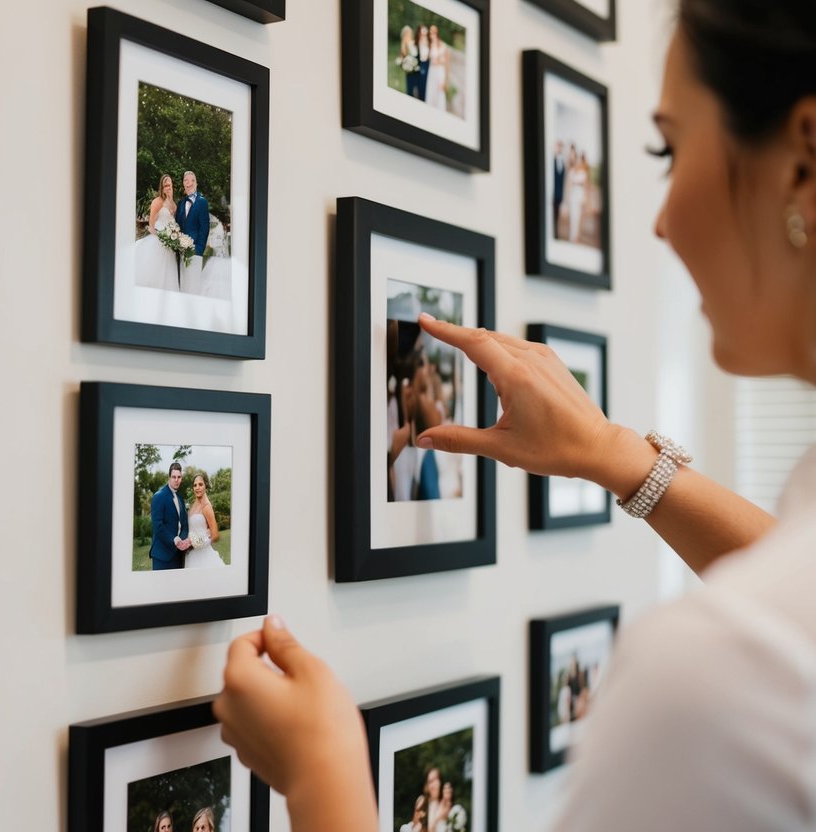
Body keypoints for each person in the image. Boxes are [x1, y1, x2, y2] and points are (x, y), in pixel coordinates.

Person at [214, 0, 816, 828]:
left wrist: (321, 774)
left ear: (802, 160)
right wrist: (612, 451)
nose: (658, 221)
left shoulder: (718, 679)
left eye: (669, 149)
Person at [135, 173, 181, 292]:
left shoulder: (174, 205)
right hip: (158, 240)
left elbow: (173, 222)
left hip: (169, 244)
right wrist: (162, 237)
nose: (168, 187)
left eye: (170, 185)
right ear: (162, 187)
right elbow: (151, 225)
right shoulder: (157, 201)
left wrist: (172, 238)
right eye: (166, 185)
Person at [150, 462, 190, 570]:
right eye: (174, 477)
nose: (176, 480)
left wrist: (181, 540)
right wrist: (174, 540)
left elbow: (185, 525)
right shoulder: (159, 496)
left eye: (179, 477)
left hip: (178, 555)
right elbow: (158, 526)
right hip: (162, 556)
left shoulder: (180, 499)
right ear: (169, 477)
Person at [176, 170, 210, 293]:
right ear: (183, 183)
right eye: (186, 180)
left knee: (193, 287)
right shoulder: (181, 203)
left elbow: (204, 228)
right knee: (183, 286)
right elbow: (177, 226)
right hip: (181, 252)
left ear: (196, 183)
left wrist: (199, 249)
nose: (189, 183)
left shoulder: (202, 202)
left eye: (192, 180)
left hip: (195, 251)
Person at [184, 474, 225, 569]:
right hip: (191, 554)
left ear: (205, 486)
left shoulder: (206, 506)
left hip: (204, 554)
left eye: (200, 484)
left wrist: (199, 543)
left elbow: (215, 534)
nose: (197, 488)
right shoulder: (193, 505)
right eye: (195, 485)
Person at [568, 150, 590, 243]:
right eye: (576, 161)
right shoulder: (571, 172)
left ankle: (577, 236)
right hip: (573, 196)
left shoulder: (583, 174)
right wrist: (569, 197)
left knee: (578, 216)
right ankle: (572, 236)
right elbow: (569, 185)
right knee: (573, 216)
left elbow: (585, 187)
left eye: (579, 161)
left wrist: (585, 199)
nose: (577, 163)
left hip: (580, 196)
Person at [425, 26, 448, 111]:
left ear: (437, 33)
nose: (432, 34)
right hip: (432, 71)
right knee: (431, 92)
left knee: (440, 93)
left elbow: (446, 63)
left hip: (439, 71)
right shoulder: (429, 45)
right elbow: (426, 57)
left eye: (433, 32)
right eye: (430, 32)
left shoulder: (443, 45)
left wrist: (445, 80)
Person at [551, 140, 567, 236]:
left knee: (557, 214)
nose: (559, 148)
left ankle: (556, 233)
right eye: (558, 147)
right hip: (552, 193)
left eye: (561, 147)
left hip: (560, 194)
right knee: (552, 214)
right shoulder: (552, 160)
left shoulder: (563, 162)